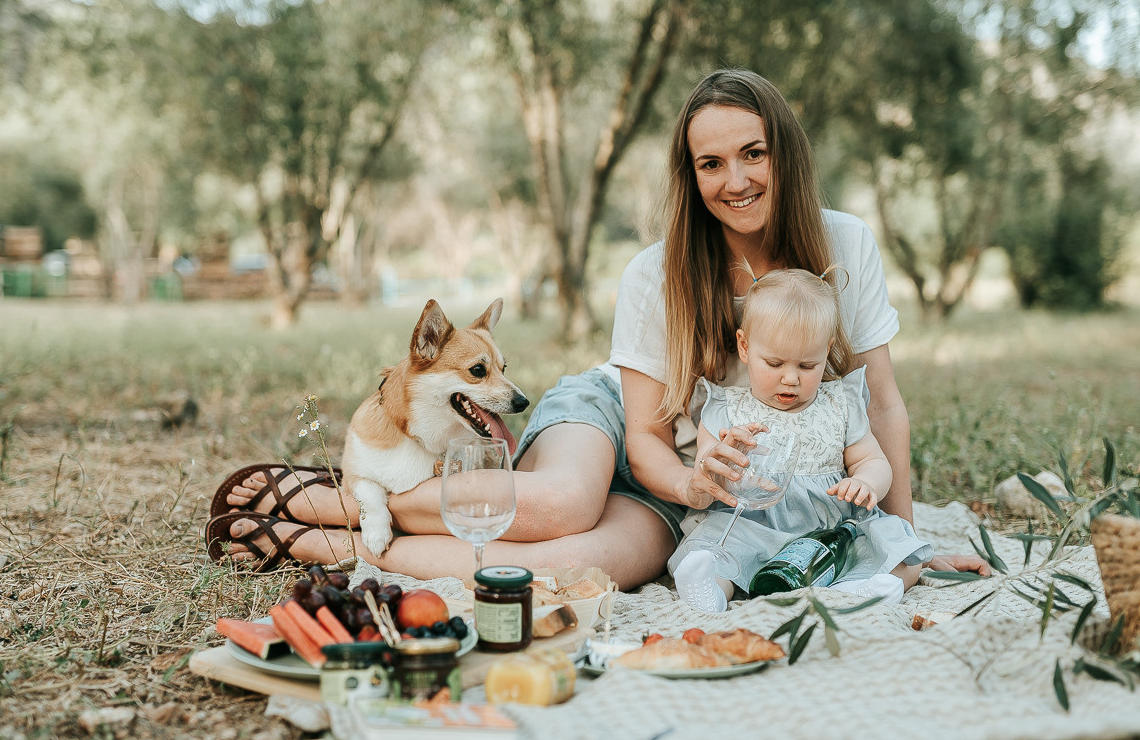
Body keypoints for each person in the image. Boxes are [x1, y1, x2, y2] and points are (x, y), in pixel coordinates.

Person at [212, 68, 988, 586]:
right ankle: (343, 493)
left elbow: (880, 403)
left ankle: (332, 537)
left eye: (753, 153)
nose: (737, 179)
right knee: (560, 505)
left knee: (575, 564)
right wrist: (689, 475)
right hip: (627, 423)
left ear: (783, 150)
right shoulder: (656, 270)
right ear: (691, 174)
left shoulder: (845, 244)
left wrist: (904, 546)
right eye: (711, 163)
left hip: (689, 496)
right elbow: (648, 435)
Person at [670, 264, 931, 613]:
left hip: (832, 531)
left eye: (807, 366)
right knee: (712, 546)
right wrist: (719, 461)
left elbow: (872, 459)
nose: (790, 379)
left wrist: (867, 483)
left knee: (901, 547)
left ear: (827, 350)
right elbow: (708, 466)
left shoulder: (840, 404)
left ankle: (865, 589)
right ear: (744, 347)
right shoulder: (726, 409)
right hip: (752, 525)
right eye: (775, 364)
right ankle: (710, 591)